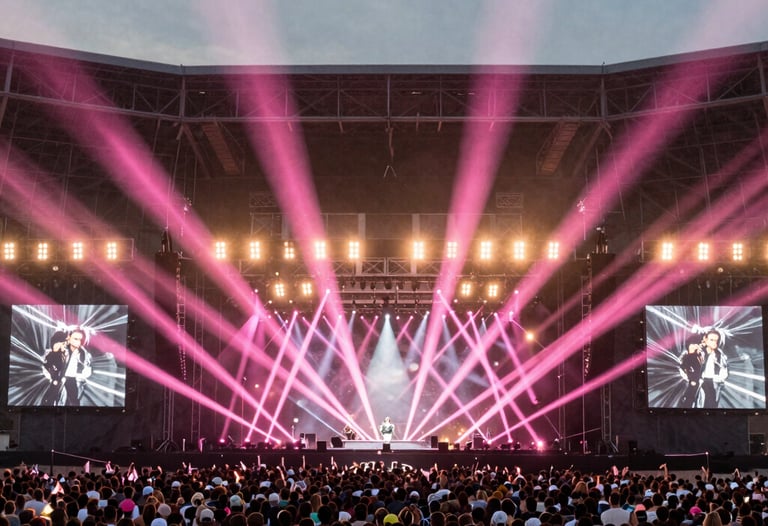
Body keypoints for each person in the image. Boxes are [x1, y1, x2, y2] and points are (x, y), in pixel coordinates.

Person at [62, 328, 93, 406]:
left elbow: (87, 369)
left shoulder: (84, 353)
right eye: (75, 339)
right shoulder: (61, 348)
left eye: (80, 339)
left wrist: (83, 375)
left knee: (73, 402)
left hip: (73, 380)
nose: (78, 342)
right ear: (69, 337)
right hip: (58, 379)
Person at [699, 329, 727, 408]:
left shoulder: (719, 355)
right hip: (700, 382)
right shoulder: (699, 353)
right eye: (712, 340)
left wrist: (720, 378)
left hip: (713, 382)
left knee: (711, 404)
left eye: (716, 340)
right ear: (705, 339)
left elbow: (724, 370)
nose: (715, 343)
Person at [41, 331, 69, 406]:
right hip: (53, 383)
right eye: (63, 343)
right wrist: (54, 379)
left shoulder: (64, 355)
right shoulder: (49, 355)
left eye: (65, 343)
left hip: (61, 383)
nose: (65, 345)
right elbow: (46, 367)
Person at [679, 336, 705, 408]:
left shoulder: (698, 356)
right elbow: (686, 369)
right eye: (693, 344)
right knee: (689, 399)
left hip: (696, 382)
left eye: (696, 344)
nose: (695, 346)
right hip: (691, 382)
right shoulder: (688, 357)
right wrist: (692, 380)